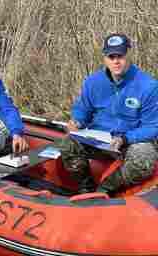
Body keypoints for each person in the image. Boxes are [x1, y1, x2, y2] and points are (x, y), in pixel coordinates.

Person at [55, 33, 158, 195]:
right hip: (99, 139)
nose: (116, 61)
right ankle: (85, 188)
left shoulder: (148, 86)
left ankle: (105, 189)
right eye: (111, 56)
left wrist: (125, 138)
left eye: (120, 56)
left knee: (144, 157)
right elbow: (82, 109)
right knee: (68, 143)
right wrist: (77, 121)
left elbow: (153, 126)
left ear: (128, 55)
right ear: (105, 58)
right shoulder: (93, 82)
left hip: (129, 141)